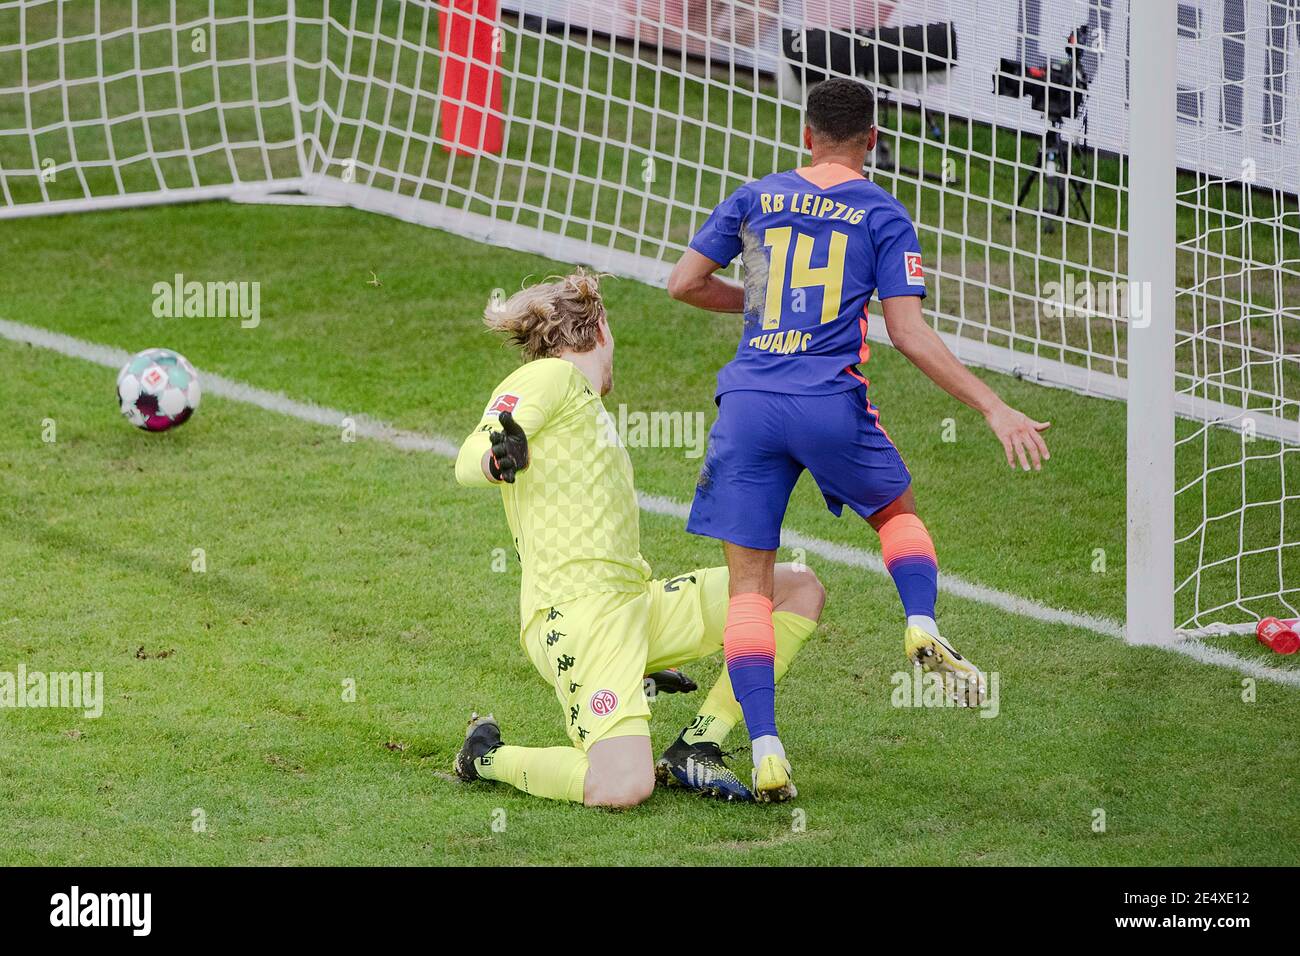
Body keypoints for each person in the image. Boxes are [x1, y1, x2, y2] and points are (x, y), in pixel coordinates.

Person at [666, 77, 1051, 799]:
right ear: (872, 140)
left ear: (805, 134)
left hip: (748, 402)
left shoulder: (756, 194)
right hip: (827, 404)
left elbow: (683, 283)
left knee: (750, 591)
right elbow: (908, 333)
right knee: (897, 515)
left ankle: (767, 749)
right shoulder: (883, 212)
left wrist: (756, 304)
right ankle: (919, 621)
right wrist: (994, 407)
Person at [452, 271, 826, 806]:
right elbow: (472, 452)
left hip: (636, 605)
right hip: (581, 618)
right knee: (622, 785)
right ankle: (485, 756)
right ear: (599, 328)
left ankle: (697, 746)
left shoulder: (582, 402)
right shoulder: (550, 378)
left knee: (796, 588)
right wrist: (494, 458)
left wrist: (642, 653)